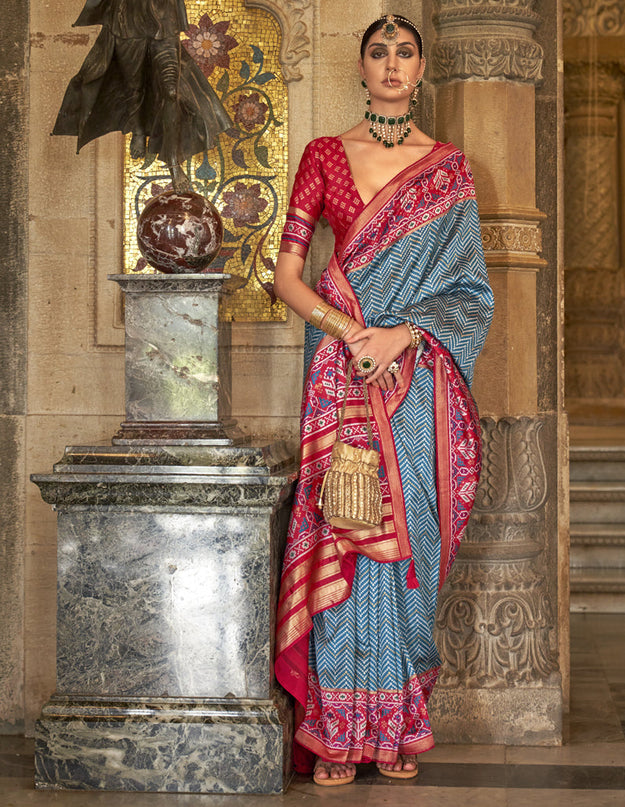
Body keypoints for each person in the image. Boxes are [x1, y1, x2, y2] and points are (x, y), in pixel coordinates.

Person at [273, 14, 494, 786]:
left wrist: (399, 336)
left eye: (405, 52)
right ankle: (337, 729)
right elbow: (286, 274)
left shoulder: (448, 169)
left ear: (422, 67)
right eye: (379, 52)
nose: (392, 64)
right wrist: (350, 333)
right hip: (340, 373)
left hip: (412, 382)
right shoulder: (324, 156)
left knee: (406, 540)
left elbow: (469, 291)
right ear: (361, 68)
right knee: (345, 522)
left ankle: (395, 725)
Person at [52, 0, 232, 191]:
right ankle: (137, 129)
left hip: (165, 18)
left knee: (171, 91)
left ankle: (173, 162)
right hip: (127, 21)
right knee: (133, 85)